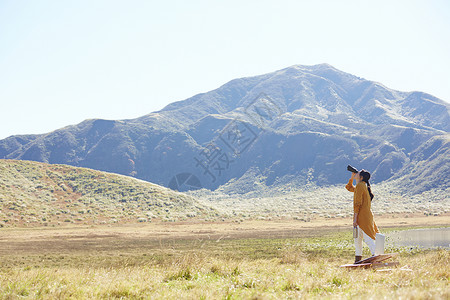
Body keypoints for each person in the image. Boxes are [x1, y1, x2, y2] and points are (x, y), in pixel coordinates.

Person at [345, 169, 380, 263]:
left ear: (361, 177)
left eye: (358, 174)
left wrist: (355, 219)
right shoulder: (362, 185)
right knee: (358, 239)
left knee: (367, 238)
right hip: (365, 215)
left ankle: (377, 258)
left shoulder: (360, 185)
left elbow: (357, 203)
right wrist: (352, 177)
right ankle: (358, 261)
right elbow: (349, 187)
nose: (356, 174)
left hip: (362, 217)